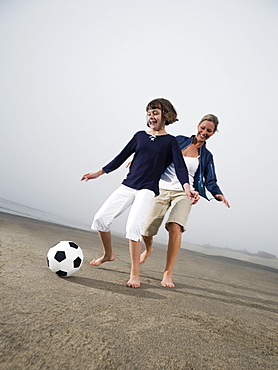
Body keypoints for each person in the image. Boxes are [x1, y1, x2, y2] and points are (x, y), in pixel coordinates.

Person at [81, 98, 199, 288]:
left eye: (156, 113)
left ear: (165, 116)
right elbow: (121, 157)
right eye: (149, 113)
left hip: (147, 189)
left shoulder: (170, 141)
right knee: (101, 219)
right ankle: (108, 254)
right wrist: (99, 172)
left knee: (133, 227)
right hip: (128, 185)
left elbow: (180, 167)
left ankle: (135, 274)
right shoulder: (139, 136)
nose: (151, 116)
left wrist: (187, 188)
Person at [141, 114, 230, 288]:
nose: (204, 132)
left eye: (209, 131)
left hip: (185, 192)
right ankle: (149, 248)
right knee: (146, 229)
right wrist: (140, 161)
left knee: (175, 226)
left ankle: (168, 273)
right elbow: (158, 153)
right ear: (198, 125)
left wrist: (218, 194)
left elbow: (210, 180)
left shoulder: (206, 156)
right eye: (203, 128)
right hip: (162, 188)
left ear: (213, 133)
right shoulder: (179, 140)